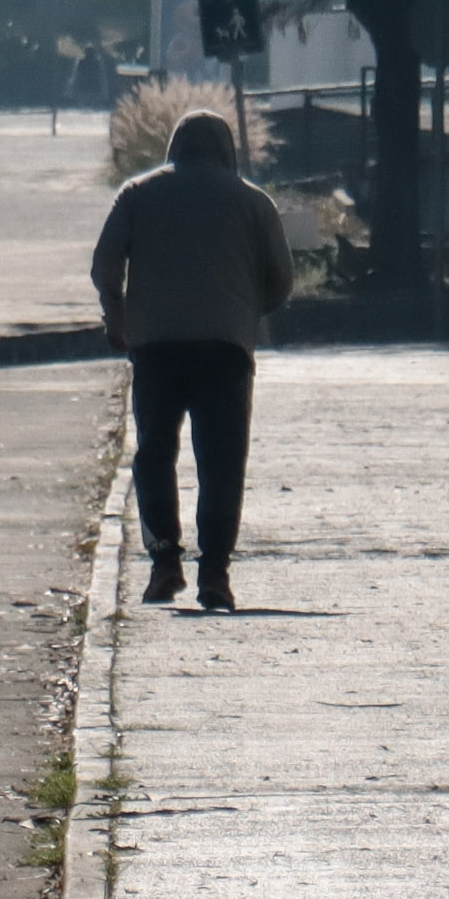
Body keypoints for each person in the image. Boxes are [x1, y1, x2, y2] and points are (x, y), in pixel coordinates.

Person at [90, 109, 295, 613]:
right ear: (227, 149)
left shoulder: (138, 194)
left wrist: (116, 316)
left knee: (155, 453)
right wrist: (245, 311)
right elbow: (282, 282)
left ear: (175, 146)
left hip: (155, 347)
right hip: (225, 349)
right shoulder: (253, 202)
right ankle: (215, 575)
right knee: (221, 462)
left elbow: (104, 265)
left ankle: (164, 563)